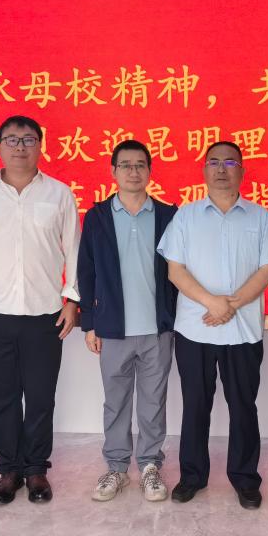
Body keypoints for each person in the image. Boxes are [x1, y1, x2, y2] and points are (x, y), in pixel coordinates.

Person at [0, 115, 80, 505]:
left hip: (45, 315)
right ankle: (9, 470)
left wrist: (72, 299)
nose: (20, 147)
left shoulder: (59, 194)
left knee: (40, 397)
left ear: (40, 145)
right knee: (1, 398)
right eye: (11, 140)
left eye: (28, 140)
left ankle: (36, 470)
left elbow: (74, 250)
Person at [157, 141, 268, 509]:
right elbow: (175, 270)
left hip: (243, 331)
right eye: (214, 162)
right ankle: (192, 476)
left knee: (244, 406)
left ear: (242, 170)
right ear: (204, 170)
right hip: (196, 329)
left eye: (230, 162)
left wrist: (231, 305)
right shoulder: (186, 216)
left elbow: (267, 269)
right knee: (196, 404)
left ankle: (245, 478)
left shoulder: (259, 217)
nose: (222, 169)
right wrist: (212, 302)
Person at [78, 139, 178, 502]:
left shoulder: (168, 215)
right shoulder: (98, 217)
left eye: (140, 165)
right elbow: (86, 271)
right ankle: (117, 468)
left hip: (157, 329)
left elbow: (179, 272)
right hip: (113, 329)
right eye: (126, 165)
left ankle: (150, 465)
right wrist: (89, 323)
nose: (133, 171)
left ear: (149, 171)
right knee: (115, 402)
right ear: (113, 171)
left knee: (153, 402)